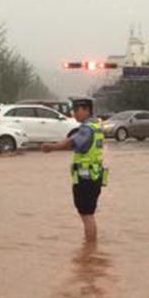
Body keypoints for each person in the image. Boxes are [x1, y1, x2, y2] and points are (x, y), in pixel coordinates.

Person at [41, 98, 106, 243]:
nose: (74, 113)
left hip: (86, 178)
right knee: (88, 214)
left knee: (86, 215)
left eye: (77, 110)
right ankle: (90, 250)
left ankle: (90, 248)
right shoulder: (96, 125)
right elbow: (74, 139)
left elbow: (73, 142)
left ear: (86, 110)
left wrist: (52, 147)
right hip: (95, 175)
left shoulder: (87, 128)